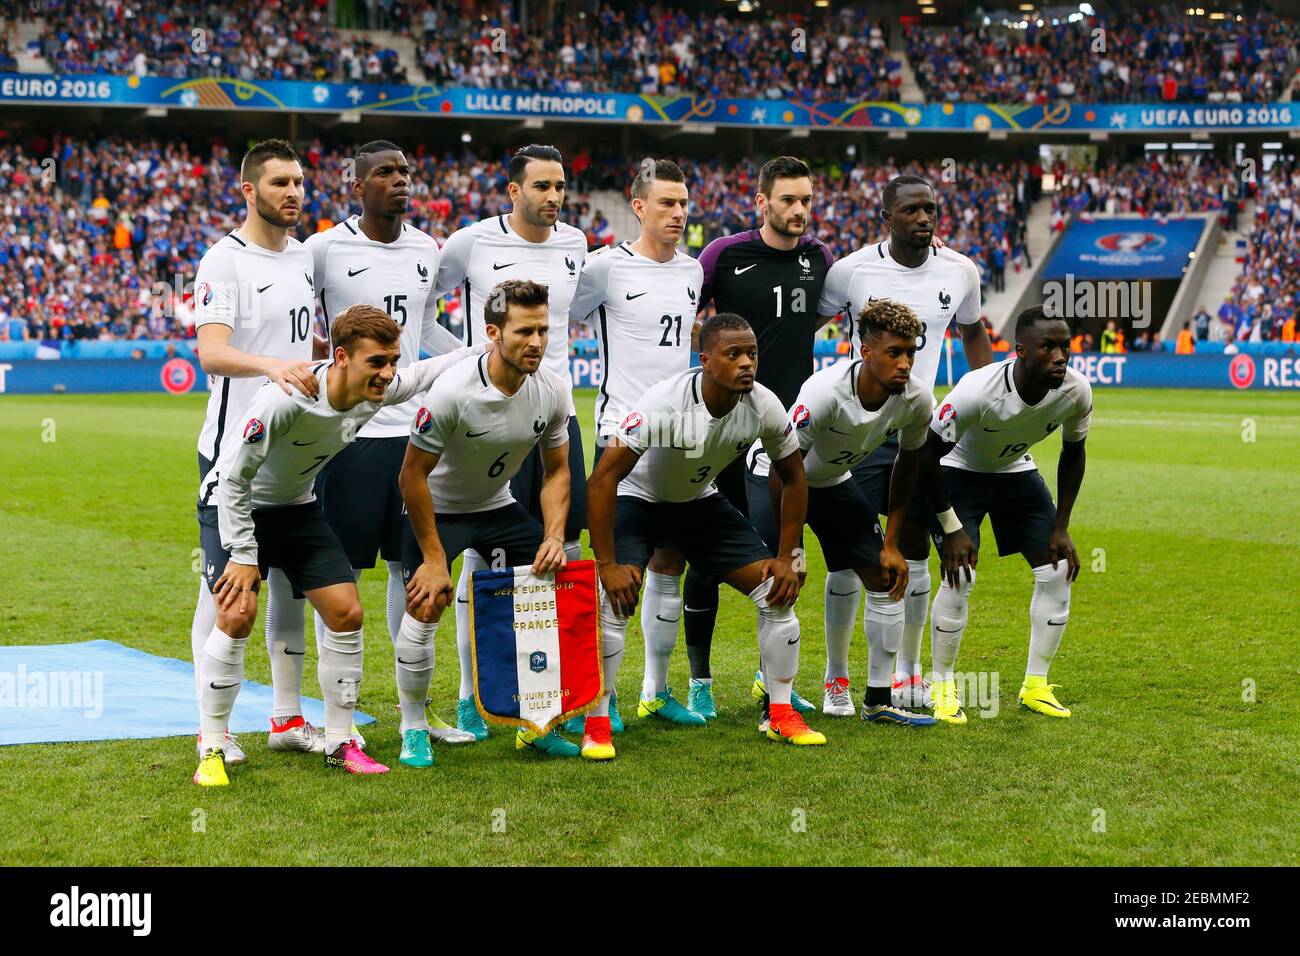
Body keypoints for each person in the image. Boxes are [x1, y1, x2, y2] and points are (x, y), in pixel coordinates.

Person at [193, 305, 477, 786]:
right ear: (341, 357)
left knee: (346, 612)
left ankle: (340, 741)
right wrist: (243, 554)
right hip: (233, 504)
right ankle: (213, 745)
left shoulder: (376, 391)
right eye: (377, 363)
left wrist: (484, 349)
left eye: (390, 361)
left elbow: (423, 372)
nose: (387, 373)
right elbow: (234, 477)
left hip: (297, 509)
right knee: (236, 612)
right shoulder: (285, 399)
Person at [294, 139, 474, 747]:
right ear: (357, 185)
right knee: (338, 571)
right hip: (347, 437)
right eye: (385, 173)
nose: (400, 180)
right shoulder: (322, 249)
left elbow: (422, 329)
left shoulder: (428, 248)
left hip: (415, 435)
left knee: (413, 569)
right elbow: (301, 326)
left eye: (405, 171)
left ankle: (414, 717)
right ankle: (336, 715)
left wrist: (476, 359)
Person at [584, 312, 818, 761]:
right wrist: (607, 565)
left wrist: (790, 554)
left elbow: (793, 475)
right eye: (734, 354)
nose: (747, 363)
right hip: (640, 501)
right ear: (706, 361)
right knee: (614, 598)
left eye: (752, 353)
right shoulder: (663, 402)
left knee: (778, 591)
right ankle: (597, 722)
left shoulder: (764, 404)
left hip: (698, 502)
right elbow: (601, 482)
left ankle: (782, 713)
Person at [816, 174, 991, 714]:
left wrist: (986, 401)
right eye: (912, 210)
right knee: (851, 559)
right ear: (886, 216)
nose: (924, 218)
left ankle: (906, 675)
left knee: (912, 552)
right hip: (861, 429)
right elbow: (809, 326)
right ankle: (835, 678)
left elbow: (972, 331)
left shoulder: (960, 271)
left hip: (919, 432)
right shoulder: (850, 271)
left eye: (931, 209)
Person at [433, 145, 589, 741]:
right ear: (512, 191)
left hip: (552, 414)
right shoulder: (470, 243)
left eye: (561, 186)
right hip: (485, 417)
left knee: (556, 555)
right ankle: (473, 696)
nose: (553, 197)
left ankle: (544, 703)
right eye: (542, 186)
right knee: (481, 554)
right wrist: (463, 361)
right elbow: (423, 310)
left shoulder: (576, 246)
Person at [397, 279, 578, 760]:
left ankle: (537, 721)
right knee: (429, 599)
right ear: (493, 333)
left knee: (548, 587)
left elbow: (558, 472)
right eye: (524, 331)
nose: (536, 342)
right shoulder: (453, 390)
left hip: (495, 505)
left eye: (542, 330)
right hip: (436, 507)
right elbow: (411, 477)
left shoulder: (552, 391)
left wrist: (555, 536)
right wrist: (435, 557)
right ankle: (413, 726)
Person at [681, 156, 833, 721]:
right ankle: (699, 680)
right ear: (761, 201)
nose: (799, 211)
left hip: (786, 428)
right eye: (788, 200)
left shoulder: (820, 259)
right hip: (723, 425)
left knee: (777, 551)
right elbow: (692, 323)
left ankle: (772, 679)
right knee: (709, 549)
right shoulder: (723, 256)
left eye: (807, 201)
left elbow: (807, 324)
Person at [190, 138, 322, 766]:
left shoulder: (303, 258)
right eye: (279, 184)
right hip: (230, 456)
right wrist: (271, 366)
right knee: (228, 599)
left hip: (293, 454)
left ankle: (287, 719)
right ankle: (210, 729)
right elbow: (211, 353)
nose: (294, 193)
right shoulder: (224, 261)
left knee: (291, 591)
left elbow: (302, 337)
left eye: (299, 182)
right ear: (248, 191)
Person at [748, 299, 938, 725]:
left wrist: (891, 543)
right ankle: (773, 702)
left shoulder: (917, 399)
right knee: (778, 584)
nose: (905, 363)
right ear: (865, 352)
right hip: (774, 476)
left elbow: (907, 466)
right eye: (895, 353)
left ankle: (878, 699)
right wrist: (790, 553)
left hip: (832, 479)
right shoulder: (826, 391)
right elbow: (786, 468)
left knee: (885, 576)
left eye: (911, 352)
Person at [564, 158, 703, 730]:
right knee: (619, 569)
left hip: (679, 435)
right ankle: (605, 696)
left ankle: (656, 689)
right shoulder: (603, 269)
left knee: (672, 562)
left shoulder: (695, 271)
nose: (677, 213)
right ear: (638, 205)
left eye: (684, 203)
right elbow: (559, 327)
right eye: (666, 203)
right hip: (621, 434)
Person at [918, 305, 1092, 723]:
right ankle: (940, 685)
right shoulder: (977, 391)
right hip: (958, 471)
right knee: (961, 575)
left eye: (1064, 347)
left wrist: (1062, 527)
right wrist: (949, 526)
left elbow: (1074, 453)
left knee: (1058, 568)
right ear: (1020, 351)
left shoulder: (1076, 390)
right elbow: (925, 456)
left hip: (1016, 471)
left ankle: (1035, 686)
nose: (1059, 357)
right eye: (1047, 347)